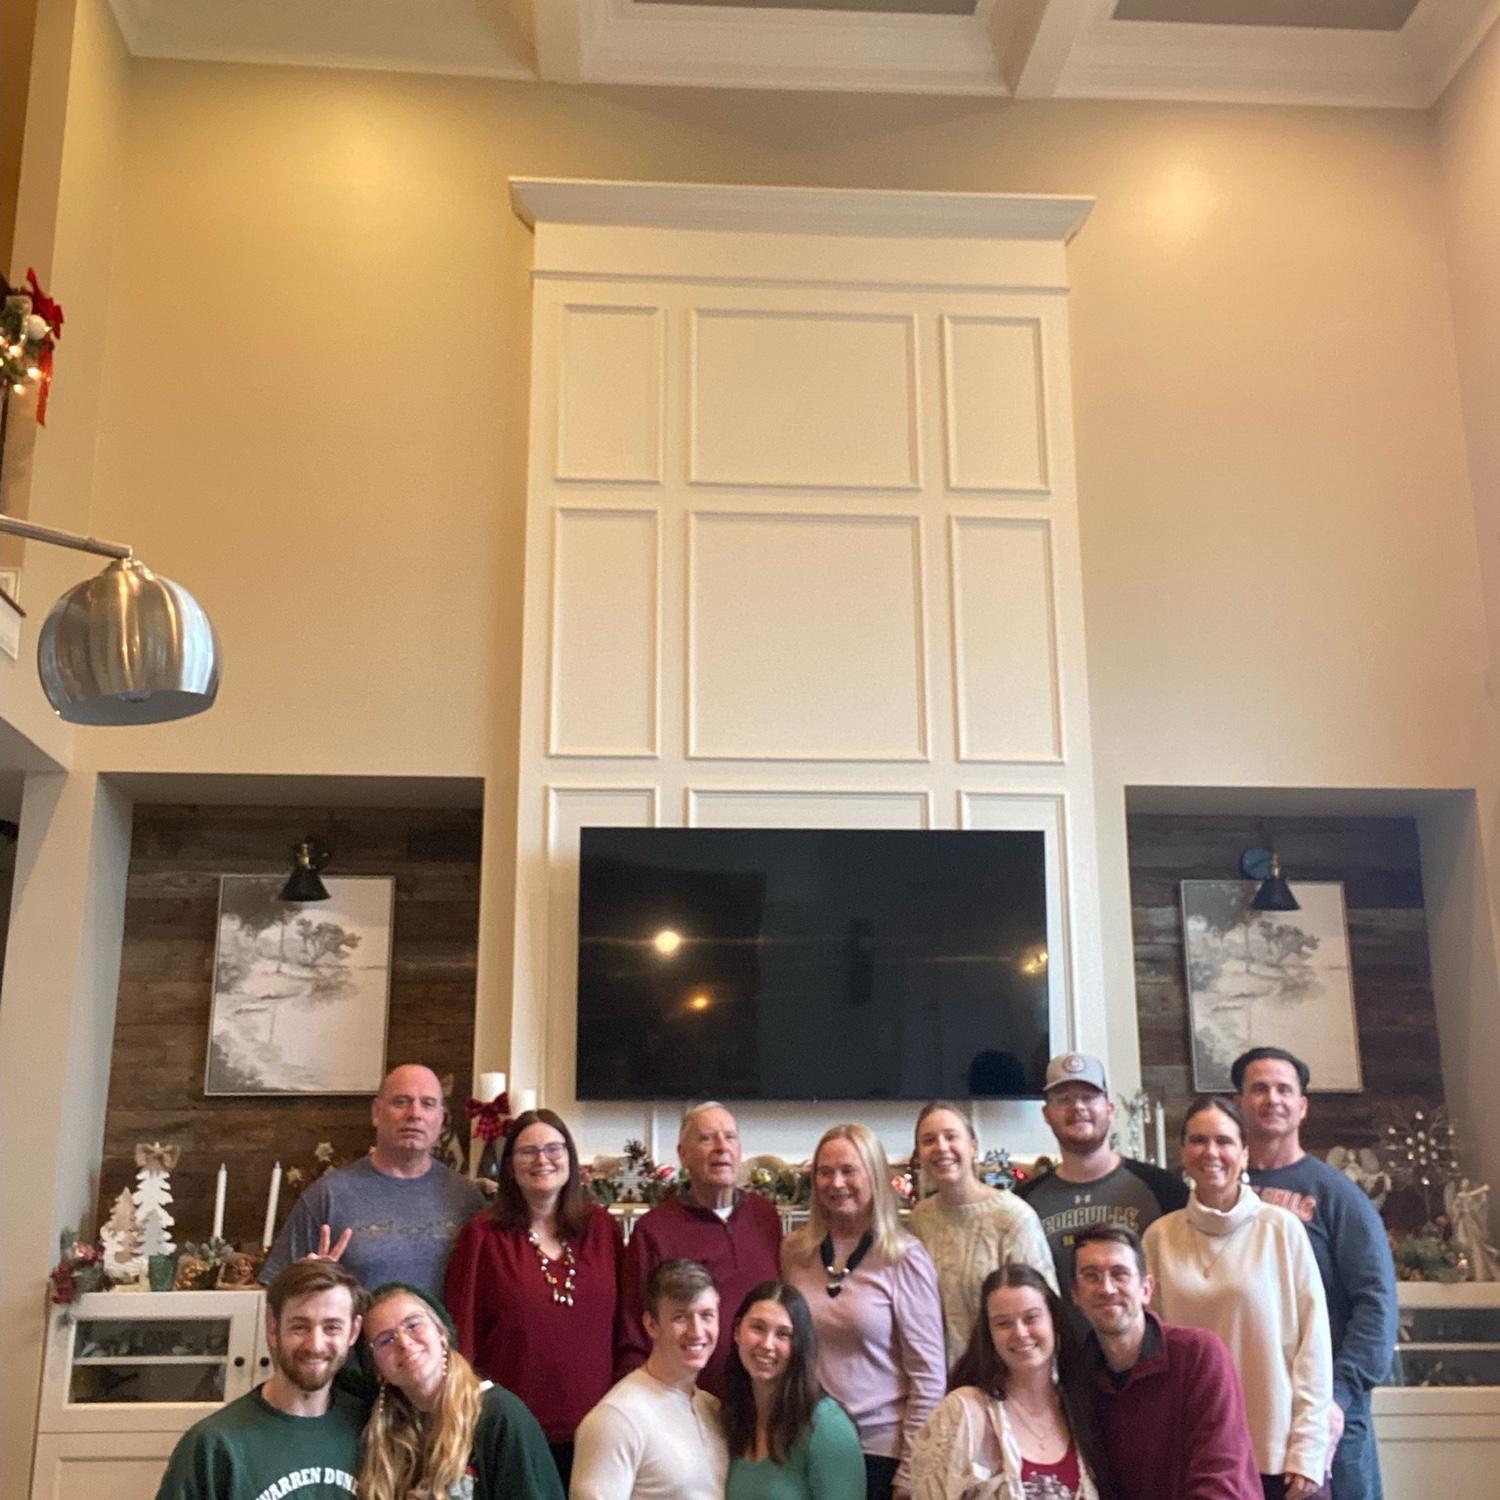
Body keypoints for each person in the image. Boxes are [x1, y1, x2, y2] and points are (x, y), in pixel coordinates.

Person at [1143, 1095, 1332, 1499]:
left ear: (1244, 1154)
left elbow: (1313, 1347)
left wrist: (1308, 1449)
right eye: (1198, 1140)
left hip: (1275, 1452)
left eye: (1224, 1141)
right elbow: (1151, 1351)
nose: (1211, 1152)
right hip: (1194, 1451)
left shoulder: (1280, 1230)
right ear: (1183, 1153)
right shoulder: (1159, 1237)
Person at [1233, 1047, 1398, 1500]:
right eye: (1259, 1089)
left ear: (1302, 1106)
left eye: (1284, 1090)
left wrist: (1340, 1394)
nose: (1272, 1099)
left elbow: (1376, 1302)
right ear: (1238, 1102)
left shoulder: (1338, 1196)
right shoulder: (1221, 1193)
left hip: (1328, 1406)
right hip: (1249, 1403)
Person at [446, 1107, 624, 1487]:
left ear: (570, 1158)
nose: (542, 1160)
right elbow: (462, 1335)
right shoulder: (482, 1236)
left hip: (601, 1427)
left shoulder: (603, 1230)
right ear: (510, 1166)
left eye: (553, 1149)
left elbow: (627, 1325)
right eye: (528, 1151)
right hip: (514, 1431)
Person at [782, 1124, 947, 1500]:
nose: (836, 1183)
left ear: (874, 1175)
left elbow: (928, 1376)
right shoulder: (795, 1252)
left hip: (878, 1452)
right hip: (807, 1443)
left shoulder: (904, 1257)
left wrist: (910, 1471)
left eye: (848, 1170)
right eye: (825, 1172)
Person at [260, 1062, 485, 1295]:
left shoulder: (466, 1199)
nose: (415, 1114)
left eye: (427, 1104)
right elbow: (277, 1297)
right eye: (401, 1102)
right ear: (377, 1112)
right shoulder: (328, 1196)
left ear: (440, 1118)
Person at [1071, 1224, 1260, 1500]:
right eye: (1091, 1276)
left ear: (1146, 1289)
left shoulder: (1199, 1355)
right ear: (1075, 1295)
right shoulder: (1077, 1378)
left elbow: (1221, 1480)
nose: (1107, 1288)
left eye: (1120, 1274)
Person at [155, 1260, 367, 1500]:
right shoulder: (213, 1445)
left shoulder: (371, 1430)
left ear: (353, 1331)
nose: (315, 1345)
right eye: (300, 1327)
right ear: (273, 1328)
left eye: (332, 1328)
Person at [617, 1101, 783, 1396]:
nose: (721, 1147)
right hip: (684, 1401)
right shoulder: (653, 1231)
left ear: (740, 1150)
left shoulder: (765, 1217)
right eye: (707, 1138)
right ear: (683, 1155)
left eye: (730, 1137)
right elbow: (634, 1337)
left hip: (762, 1398)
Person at [911, 1265, 1112, 1500]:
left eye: (1031, 1318)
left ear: (1054, 1322)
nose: (1020, 1333)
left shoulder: (1080, 1409)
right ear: (989, 1335)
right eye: (1003, 1323)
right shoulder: (964, 1411)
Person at [358, 1281, 564, 1500]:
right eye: (386, 1340)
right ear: (376, 1368)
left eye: (413, 1325)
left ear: (441, 1333)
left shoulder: (498, 1415)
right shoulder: (383, 1433)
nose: (404, 1343)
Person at [1016, 1053, 1188, 1296]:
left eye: (1088, 1097)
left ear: (1109, 1108)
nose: (1078, 1107)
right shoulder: (1024, 1203)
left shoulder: (1164, 1189)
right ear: (1046, 1114)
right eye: (1064, 1100)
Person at [907, 1101, 1057, 1368]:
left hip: (1004, 1375)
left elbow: (1043, 1314)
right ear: (919, 1155)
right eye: (929, 1140)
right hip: (940, 1379)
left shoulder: (1013, 1218)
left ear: (973, 1147)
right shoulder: (921, 1218)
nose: (941, 1147)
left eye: (951, 1137)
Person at [572, 1258, 729, 1500]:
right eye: (681, 1317)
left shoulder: (712, 1409)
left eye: (707, 1315)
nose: (697, 1331)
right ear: (651, 1325)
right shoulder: (615, 1419)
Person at [722, 1280, 866, 1500]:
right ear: (737, 1331)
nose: (767, 1344)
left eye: (783, 1334)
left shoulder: (827, 1426)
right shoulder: (730, 1417)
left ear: (799, 1344)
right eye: (758, 1328)